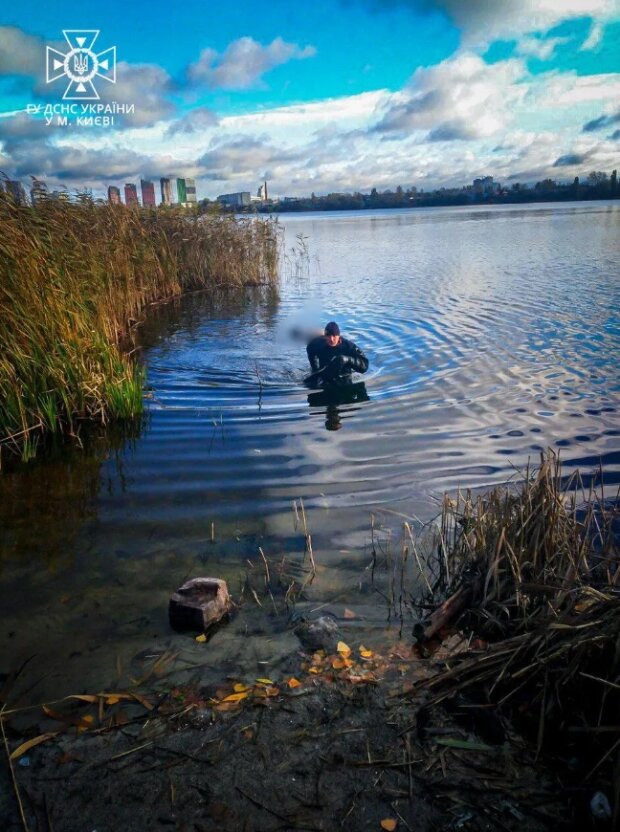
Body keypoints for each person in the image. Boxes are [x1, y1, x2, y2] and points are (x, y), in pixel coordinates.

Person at [306, 321, 369, 386]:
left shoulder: (348, 346)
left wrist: (348, 360)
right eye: (328, 336)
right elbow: (309, 348)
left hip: (344, 378)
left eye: (334, 336)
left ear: (338, 336)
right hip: (325, 375)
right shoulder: (318, 343)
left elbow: (365, 366)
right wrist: (315, 367)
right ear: (325, 336)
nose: (331, 339)